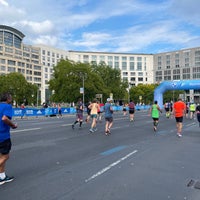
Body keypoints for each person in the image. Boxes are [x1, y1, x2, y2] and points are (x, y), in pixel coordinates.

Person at [0, 93, 18, 185]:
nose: (11, 98)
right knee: (5, 156)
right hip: (3, 136)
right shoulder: (7, 106)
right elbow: (4, 118)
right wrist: (13, 125)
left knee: (1, 156)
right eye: (10, 97)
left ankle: (2, 177)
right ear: (7, 99)